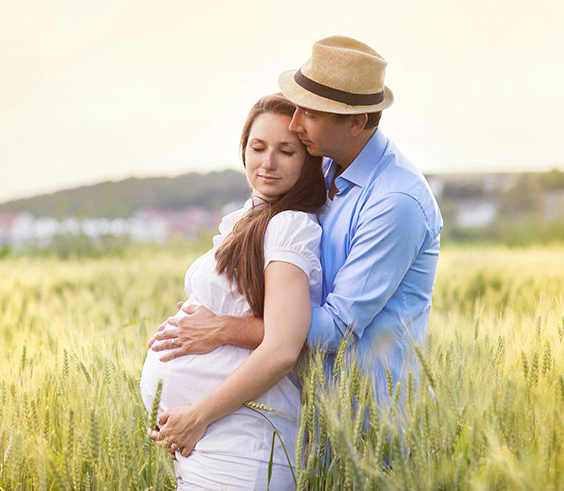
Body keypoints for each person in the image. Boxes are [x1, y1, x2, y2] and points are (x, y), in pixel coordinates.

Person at [150, 35, 443, 410]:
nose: (295, 122)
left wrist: (224, 328)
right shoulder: (317, 167)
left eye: (311, 114)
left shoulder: (395, 202)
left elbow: (336, 328)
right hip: (311, 413)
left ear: (356, 122)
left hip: (373, 416)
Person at [140, 93, 326, 489]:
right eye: (258, 148)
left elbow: (282, 348)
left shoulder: (289, 225)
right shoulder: (253, 217)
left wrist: (197, 416)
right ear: (243, 151)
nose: (268, 162)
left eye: (286, 151)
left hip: (242, 445)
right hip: (216, 441)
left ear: (308, 161)